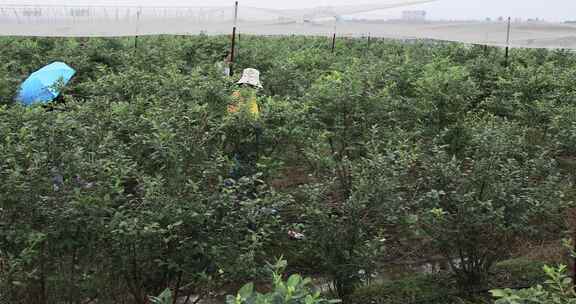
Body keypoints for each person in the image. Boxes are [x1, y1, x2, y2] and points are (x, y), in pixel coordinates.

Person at [225, 68, 263, 182]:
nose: (252, 88)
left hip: (249, 138)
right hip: (238, 137)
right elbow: (231, 117)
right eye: (249, 86)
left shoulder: (252, 98)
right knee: (235, 165)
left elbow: (255, 117)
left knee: (247, 165)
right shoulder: (235, 96)